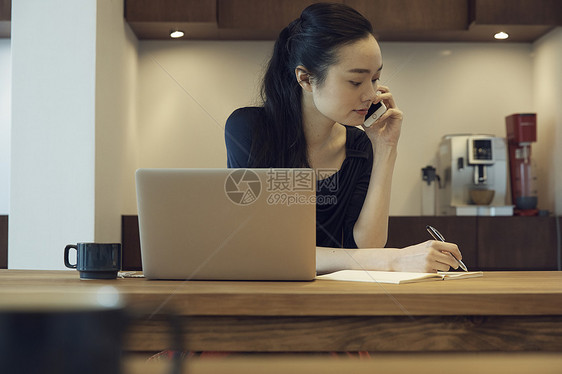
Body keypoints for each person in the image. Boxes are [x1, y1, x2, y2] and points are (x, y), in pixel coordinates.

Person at [225, 2, 462, 274]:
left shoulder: (359, 145)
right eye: (355, 81)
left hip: (336, 298)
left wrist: (385, 149)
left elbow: (366, 246)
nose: (371, 95)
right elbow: (261, 249)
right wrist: (391, 260)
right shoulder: (249, 128)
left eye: (375, 79)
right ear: (306, 79)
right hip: (268, 296)